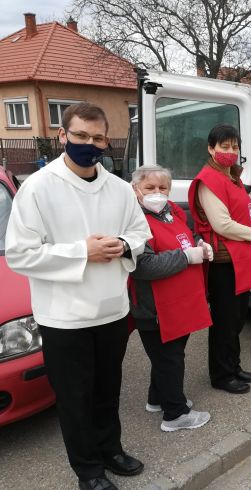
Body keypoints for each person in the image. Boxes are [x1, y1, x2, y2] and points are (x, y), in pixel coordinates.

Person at [5, 102, 151, 490]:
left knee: (108, 389)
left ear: (106, 140)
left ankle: (111, 450)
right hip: (64, 317)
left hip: (112, 311)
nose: (89, 143)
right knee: (75, 398)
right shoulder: (38, 188)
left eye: (97, 137)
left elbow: (140, 234)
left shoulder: (119, 189)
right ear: (62, 136)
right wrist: (80, 252)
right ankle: (88, 469)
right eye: (81, 136)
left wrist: (122, 245)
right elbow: (20, 253)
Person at [129, 165, 213, 432]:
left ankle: (158, 398)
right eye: (149, 188)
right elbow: (144, 266)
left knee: (167, 357)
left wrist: (199, 243)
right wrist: (186, 257)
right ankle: (175, 414)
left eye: (162, 188)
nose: (157, 193)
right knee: (170, 359)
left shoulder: (172, 211)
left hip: (181, 301)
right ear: (136, 190)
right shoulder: (133, 222)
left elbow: (188, 234)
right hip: (154, 308)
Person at [188, 124, 251, 394]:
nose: (230, 152)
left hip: (240, 257)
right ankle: (221, 374)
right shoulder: (208, 180)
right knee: (225, 320)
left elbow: (241, 214)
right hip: (225, 261)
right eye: (224, 146)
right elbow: (222, 225)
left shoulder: (230, 176)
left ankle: (233, 366)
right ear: (211, 149)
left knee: (237, 317)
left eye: (234, 147)